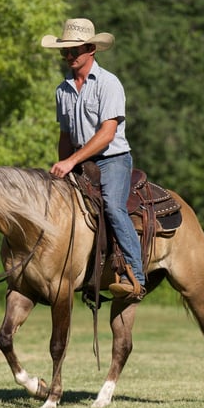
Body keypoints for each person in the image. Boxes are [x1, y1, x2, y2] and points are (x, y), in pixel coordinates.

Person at [41, 18, 145, 301]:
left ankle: (136, 276)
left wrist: (70, 161)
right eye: (65, 51)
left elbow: (107, 134)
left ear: (91, 49)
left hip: (113, 159)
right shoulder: (62, 90)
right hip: (79, 161)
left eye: (74, 50)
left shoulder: (109, 84)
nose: (68, 56)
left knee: (113, 207)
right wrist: (62, 166)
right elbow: (65, 135)